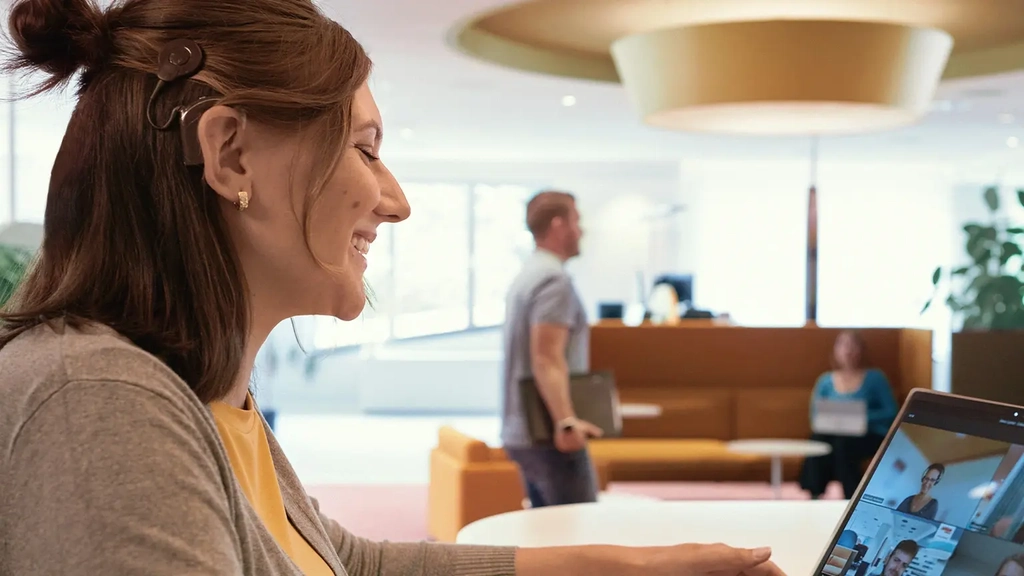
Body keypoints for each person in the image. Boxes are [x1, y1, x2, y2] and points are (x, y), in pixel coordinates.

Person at [0, 0, 785, 575]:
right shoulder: (100, 397)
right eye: (364, 149)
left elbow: (341, 559)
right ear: (231, 156)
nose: (395, 199)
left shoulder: (200, 391)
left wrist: (626, 567)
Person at [500, 190, 604, 509]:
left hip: (524, 430)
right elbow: (546, 357)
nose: (581, 230)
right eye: (577, 220)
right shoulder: (553, 281)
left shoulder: (528, 274)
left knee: (546, 535)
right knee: (576, 536)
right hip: (548, 434)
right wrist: (567, 422)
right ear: (559, 225)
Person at [800, 330, 899, 499]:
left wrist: (859, 418)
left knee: (843, 445)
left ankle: (850, 495)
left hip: (868, 435)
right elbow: (816, 416)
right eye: (843, 345)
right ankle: (814, 493)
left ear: (861, 350)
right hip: (833, 433)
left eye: (853, 345)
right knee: (818, 439)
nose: (848, 350)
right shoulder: (825, 381)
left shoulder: (876, 378)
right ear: (835, 350)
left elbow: (891, 412)